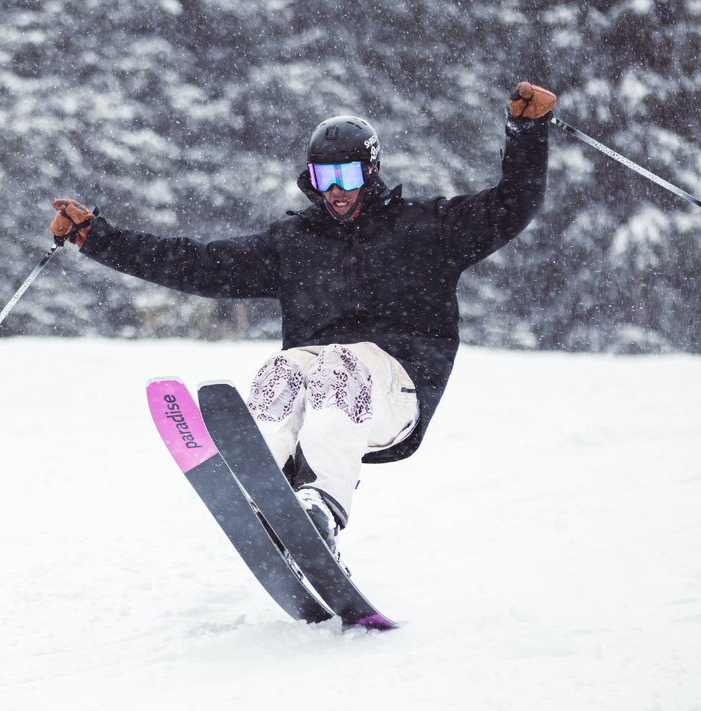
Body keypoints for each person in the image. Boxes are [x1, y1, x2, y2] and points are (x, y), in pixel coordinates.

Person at [48, 82, 557, 556]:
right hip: (322, 393)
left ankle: (323, 506)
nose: (335, 191)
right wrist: (98, 238)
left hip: (395, 393)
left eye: (348, 177)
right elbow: (197, 263)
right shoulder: (294, 244)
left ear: (371, 171)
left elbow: (509, 206)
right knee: (282, 369)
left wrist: (528, 134)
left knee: (340, 363)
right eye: (323, 178)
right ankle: (265, 485)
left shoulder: (426, 229)